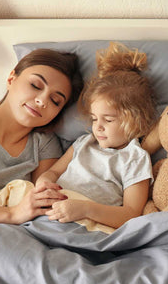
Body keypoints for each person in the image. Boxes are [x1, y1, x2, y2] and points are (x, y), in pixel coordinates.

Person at [0, 48, 83, 227]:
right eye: (36, 85)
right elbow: (19, 213)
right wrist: (12, 214)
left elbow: (44, 208)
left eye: (55, 101)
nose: (42, 101)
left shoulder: (45, 144)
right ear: (11, 78)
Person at [35, 42, 157, 229]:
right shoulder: (84, 142)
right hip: (51, 212)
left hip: (87, 222)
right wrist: (45, 180)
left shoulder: (134, 158)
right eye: (94, 119)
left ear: (135, 121)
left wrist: (85, 209)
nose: (97, 127)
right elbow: (54, 172)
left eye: (108, 120)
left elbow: (130, 214)